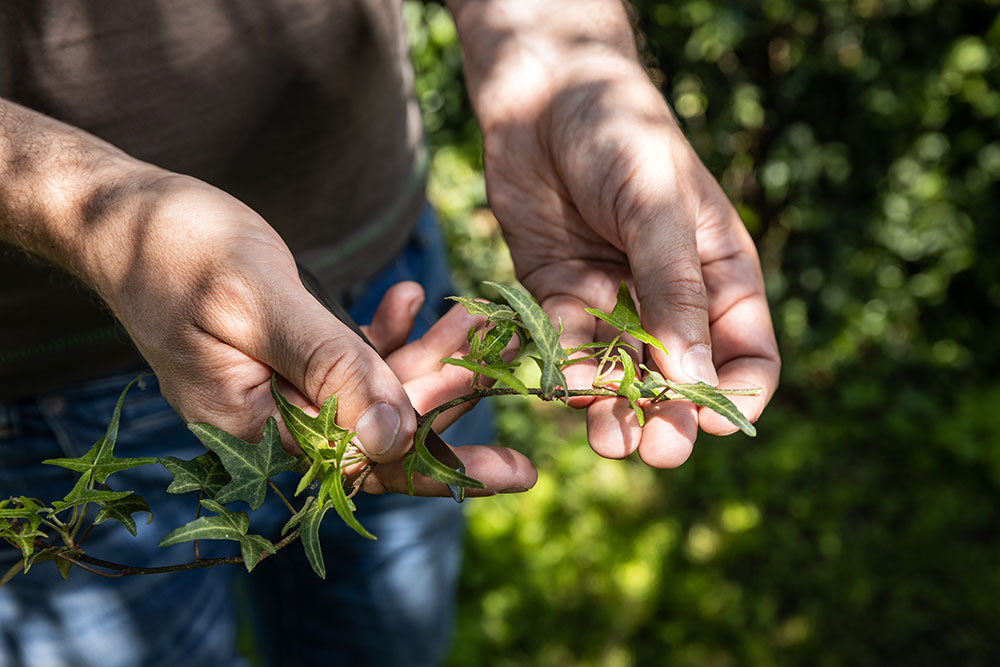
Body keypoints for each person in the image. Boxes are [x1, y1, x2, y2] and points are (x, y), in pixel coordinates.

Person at [0, 1, 780, 665]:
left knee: (391, 633)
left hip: (397, 283)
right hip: (43, 382)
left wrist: (564, 56)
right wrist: (93, 214)